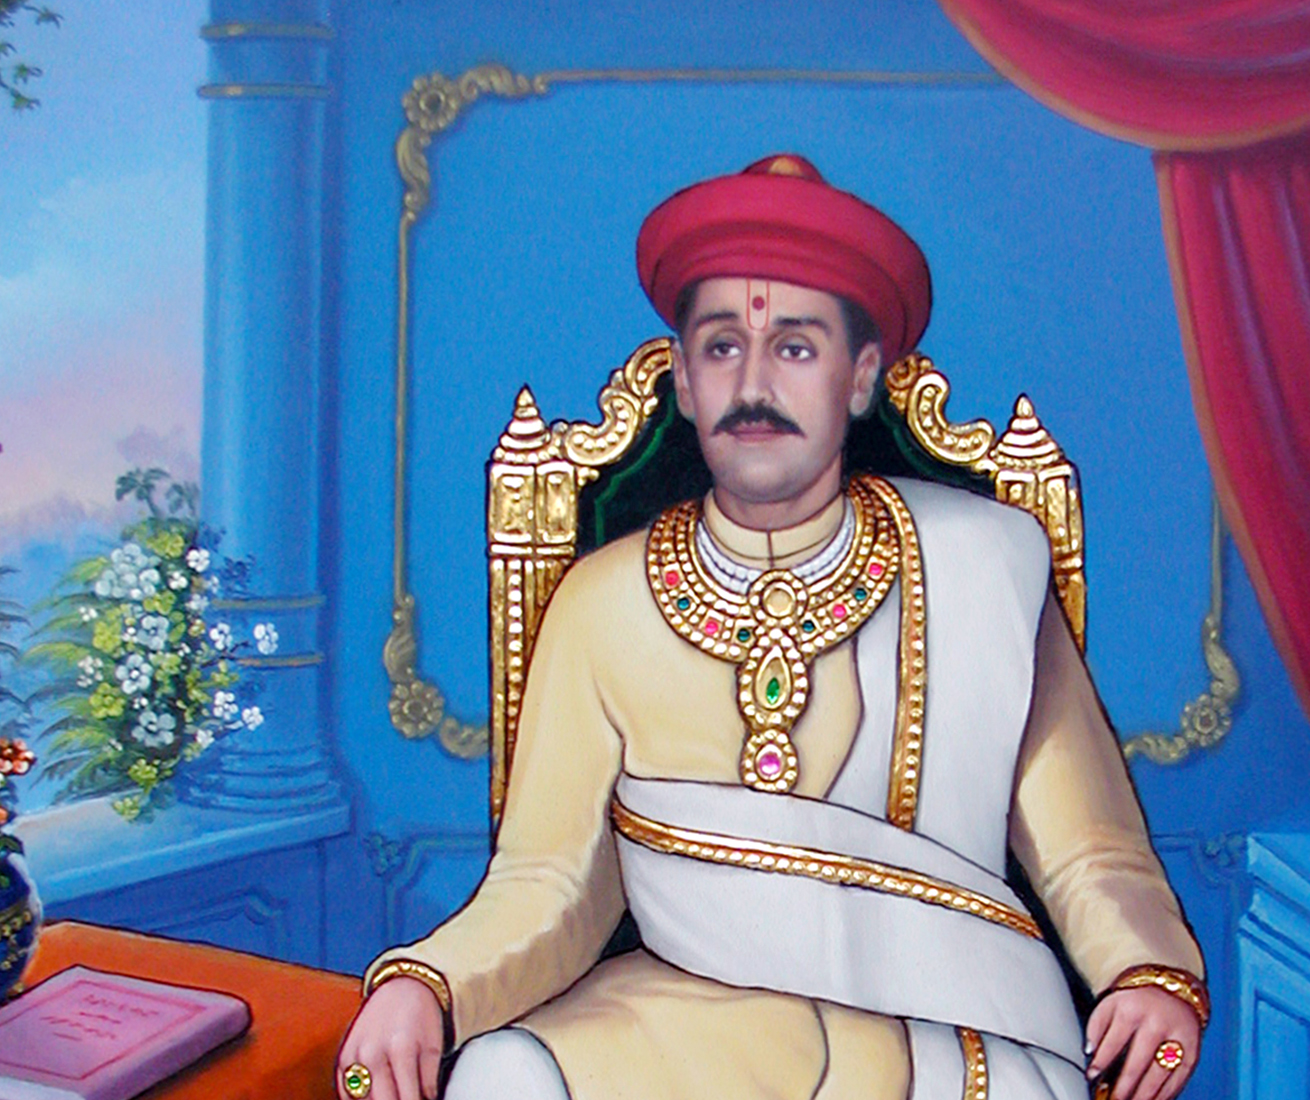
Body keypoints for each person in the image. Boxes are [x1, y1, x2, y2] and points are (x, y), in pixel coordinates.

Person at [337, 154, 1207, 1100]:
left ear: (861, 377)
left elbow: (1086, 849)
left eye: (794, 348)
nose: (752, 383)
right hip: (676, 1029)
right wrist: (428, 985)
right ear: (683, 380)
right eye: (721, 347)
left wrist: (1148, 974)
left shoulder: (980, 569)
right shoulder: (600, 602)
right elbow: (549, 880)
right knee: (503, 1077)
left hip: (935, 1024)